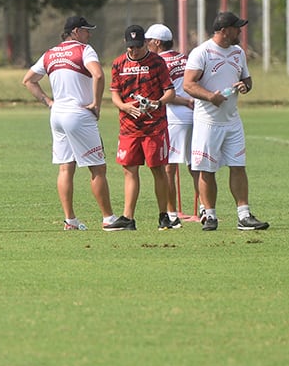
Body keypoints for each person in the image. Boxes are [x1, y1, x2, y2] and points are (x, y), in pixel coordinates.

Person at [22, 15, 116, 231]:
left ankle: (70, 220)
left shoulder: (50, 53)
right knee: (97, 168)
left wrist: (48, 101)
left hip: (57, 115)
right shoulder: (84, 50)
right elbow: (99, 75)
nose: (89, 34)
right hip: (79, 115)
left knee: (66, 168)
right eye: (86, 30)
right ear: (75, 31)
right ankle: (109, 218)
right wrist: (96, 104)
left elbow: (28, 80)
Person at [181, 11, 270, 232]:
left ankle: (244, 215)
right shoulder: (202, 52)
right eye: (236, 27)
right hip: (207, 122)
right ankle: (209, 215)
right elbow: (188, 85)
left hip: (232, 121)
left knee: (238, 166)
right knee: (207, 170)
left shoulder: (238, 52)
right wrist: (211, 96)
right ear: (224, 31)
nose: (240, 30)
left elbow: (246, 78)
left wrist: (245, 86)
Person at [107, 24, 176, 232]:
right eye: (130, 47)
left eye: (137, 46)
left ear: (146, 43)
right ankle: (128, 218)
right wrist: (124, 106)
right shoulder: (118, 63)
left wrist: (157, 103)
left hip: (154, 126)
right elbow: (115, 93)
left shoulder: (157, 62)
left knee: (158, 169)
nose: (133, 51)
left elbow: (170, 92)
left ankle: (164, 216)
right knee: (129, 170)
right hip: (128, 127)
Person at [145, 23, 196, 229]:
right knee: (197, 165)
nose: (147, 44)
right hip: (196, 115)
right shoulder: (185, 58)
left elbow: (164, 94)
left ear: (157, 42)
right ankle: (206, 210)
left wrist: (183, 101)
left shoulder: (157, 62)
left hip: (174, 117)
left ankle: (172, 214)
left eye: (149, 41)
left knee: (169, 167)